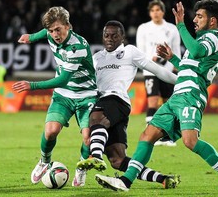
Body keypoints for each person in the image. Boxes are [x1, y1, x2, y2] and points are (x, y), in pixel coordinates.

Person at [94, 0, 218, 194]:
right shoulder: (201, 40)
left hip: (191, 95)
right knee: (147, 135)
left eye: (200, 16)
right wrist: (172, 58)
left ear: (213, 21)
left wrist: (180, 25)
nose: (195, 20)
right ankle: (125, 181)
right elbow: (189, 67)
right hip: (177, 96)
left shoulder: (214, 37)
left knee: (190, 141)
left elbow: (197, 51)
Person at [76, 20, 180, 189]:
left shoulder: (130, 52)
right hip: (106, 105)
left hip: (117, 100)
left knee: (95, 119)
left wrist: (181, 82)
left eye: (114, 35)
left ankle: (95, 156)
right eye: (106, 35)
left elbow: (158, 70)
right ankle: (163, 179)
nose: (109, 39)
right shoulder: (96, 58)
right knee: (117, 160)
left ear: (122, 37)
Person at [12, 6, 97, 187]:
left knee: (88, 138)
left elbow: (63, 79)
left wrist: (32, 85)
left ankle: (81, 168)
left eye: (58, 29)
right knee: (50, 132)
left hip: (86, 95)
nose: (54, 34)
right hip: (63, 96)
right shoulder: (51, 34)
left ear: (68, 26)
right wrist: (32, 37)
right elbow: (45, 31)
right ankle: (44, 161)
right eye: (51, 30)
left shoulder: (77, 47)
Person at [136, 0, 181, 147]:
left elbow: (176, 48)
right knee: (153, 101)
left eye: (158, 10)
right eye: (153, 10)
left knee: (169, 103)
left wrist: (177, 67)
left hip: (167, 71)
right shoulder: (143, 28)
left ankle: (168, 137)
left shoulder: (171, 29)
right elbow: (140, 50)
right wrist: (151, 60)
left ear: (163, 12)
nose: (155, 13)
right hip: (150, 70)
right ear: (150, 13)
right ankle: (150, 136)